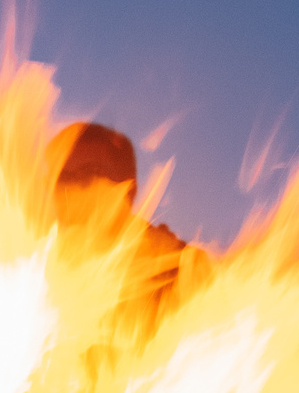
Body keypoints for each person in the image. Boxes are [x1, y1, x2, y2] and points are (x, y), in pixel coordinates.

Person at [48, 122, 212, 342]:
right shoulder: (42, 275)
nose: (72, 189)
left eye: (89, 173)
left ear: (128, 189)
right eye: (63, 178)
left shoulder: (181, 271)